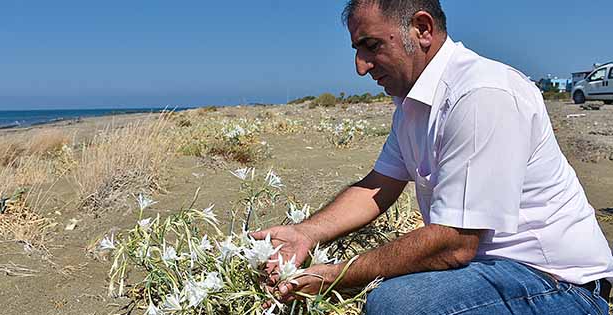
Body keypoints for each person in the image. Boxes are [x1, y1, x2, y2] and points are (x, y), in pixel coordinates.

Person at [252, 0, 613, 313]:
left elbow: (455, 243)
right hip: (489, 270)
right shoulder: (411, 105)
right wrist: (305, 234)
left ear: (422, 29)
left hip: (559, 284)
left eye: (371, 45)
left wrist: (334, 276)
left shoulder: (481, 94)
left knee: (398, 303)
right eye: (356, 49)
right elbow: (379, 185)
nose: (361, 66)